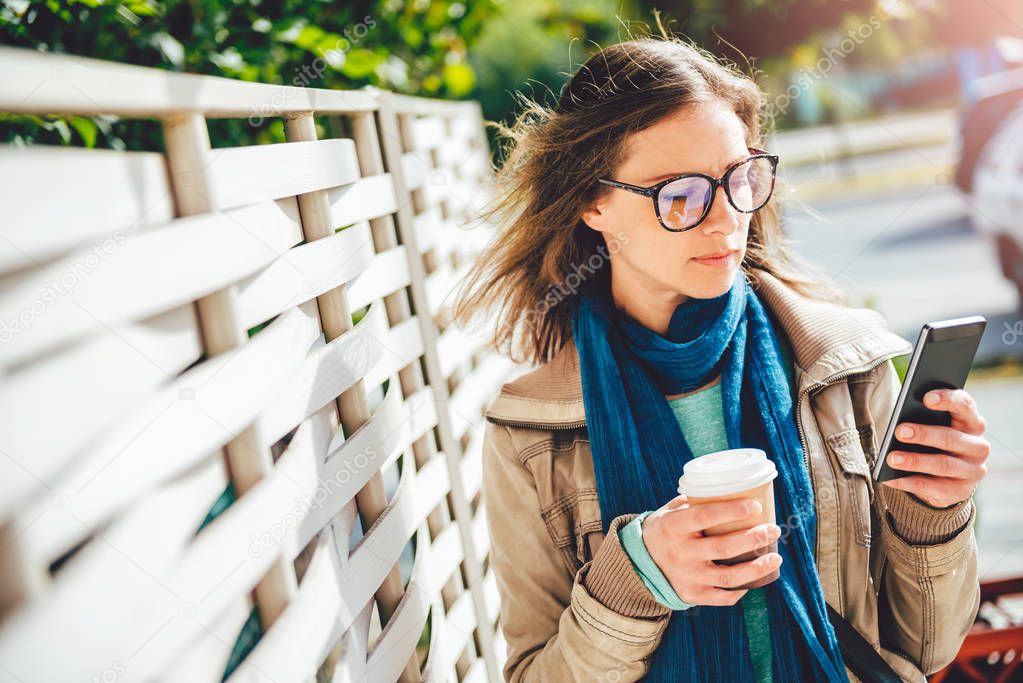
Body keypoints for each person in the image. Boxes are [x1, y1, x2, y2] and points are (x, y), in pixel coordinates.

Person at [451, 30, 988, 683]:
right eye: (679, 194)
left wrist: (932, 513)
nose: (724, 219)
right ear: (593, 201)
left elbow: (923, 649)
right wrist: (632, 579)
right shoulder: (528, 434)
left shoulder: (846, 366)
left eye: (738, 178)